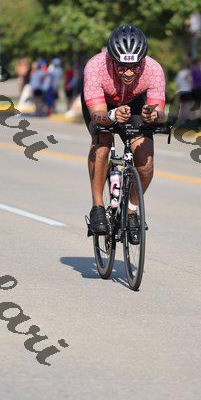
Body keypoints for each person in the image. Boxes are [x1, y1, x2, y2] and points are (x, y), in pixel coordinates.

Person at [82, 25, 166, 243]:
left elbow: (160, 112)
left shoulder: (154, 70)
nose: (129, 72)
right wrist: (112, 115)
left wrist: (153, 115)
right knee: (102, 141)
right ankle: (98, 207)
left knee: (145, 160)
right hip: (103, 106)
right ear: (112, 59)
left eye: (135, 67)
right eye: (122, 66)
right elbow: (97, 116)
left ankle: (131, 211)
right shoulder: (95, 67)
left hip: (135, 103)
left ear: (142, 61)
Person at [175, 58, 194, 124]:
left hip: (180, 91)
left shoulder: (180, 73)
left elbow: (177, 83)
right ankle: (185, 119)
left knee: (181, 107)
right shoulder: (189, 73)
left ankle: (180, 119)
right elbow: (190, 82)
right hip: (186, 91)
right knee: (186, 107)